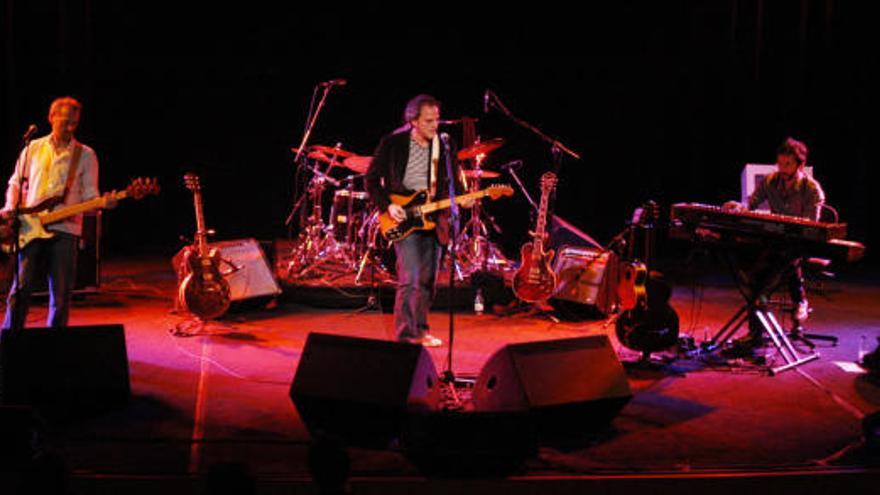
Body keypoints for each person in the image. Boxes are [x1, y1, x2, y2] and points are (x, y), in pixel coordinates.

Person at [1, 96, 114, 331]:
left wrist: (104, 202)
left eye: (75, 123)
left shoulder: (86, 155)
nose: (70, 128)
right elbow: (15, 182)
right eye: (65, 122)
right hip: (30, 227)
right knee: (20, 289)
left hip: (67, 229)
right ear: (51, 118)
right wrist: (11, 207)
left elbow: (91, 196)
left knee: (61, 295)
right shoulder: (33, 148)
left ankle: (55, 345)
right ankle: (9, 341)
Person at [365, 94, 467, 347]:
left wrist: (462, 198)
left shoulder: (445, 145)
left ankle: (420, 330)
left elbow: (453, 180)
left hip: (435, 218)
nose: (435, 125)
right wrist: (388, 206)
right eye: (428, 121)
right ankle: (405, 336)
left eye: (437, 120)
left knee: (428, 281)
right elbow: (371, 179)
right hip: (403, 217)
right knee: (410, 279)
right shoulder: (393, 143)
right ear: (413, 121)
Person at [724, 137, 826, 343]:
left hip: (799, 244)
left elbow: (811, 228)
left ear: (800, 165)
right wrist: (738, 206)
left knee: (766, 276)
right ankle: (797, 301)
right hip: (776, 242)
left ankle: (756, 331)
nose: (782, 168)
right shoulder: (770, 181)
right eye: (780, 163)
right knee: (752, 263)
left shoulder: (811, 189)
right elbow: (751, 203)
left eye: (787, 164)